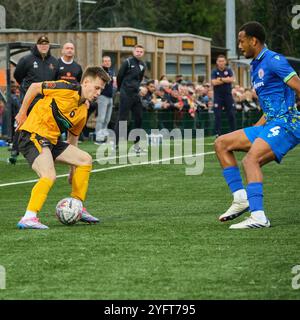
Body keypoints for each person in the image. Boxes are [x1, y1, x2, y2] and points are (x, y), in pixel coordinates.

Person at [215, 21, 300, 229]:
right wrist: (257, 127)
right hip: (270, 123)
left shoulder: (274, 60)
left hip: (287, 123)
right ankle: (241, 198)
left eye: (242, 41)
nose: (240, 46)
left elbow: (298, 85)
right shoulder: (256, 65)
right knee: (221, 143)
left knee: (250, 160)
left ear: (254, 41)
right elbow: (271, 105)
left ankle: (259, 216)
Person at [15, 66, 111, 229]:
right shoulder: (65, 87)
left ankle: (77, 206)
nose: (98, 93)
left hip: (51, 141)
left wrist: (72, 170)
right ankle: (28, 217)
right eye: (96, 88)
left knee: (85, 159)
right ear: (86, 82)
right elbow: (34, 87)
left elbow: (73, 139)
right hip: (32, 134)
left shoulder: (82, 110)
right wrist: (22, 112)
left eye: (101, 90)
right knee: (49, 174)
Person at [10, 35, 59, 164]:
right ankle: (15, 150)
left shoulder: (54, 62)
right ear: (37, 45)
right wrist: (27, 90)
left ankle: (45, 150)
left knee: (45, 126)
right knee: (23, 122)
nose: (44, 46)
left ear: (49, 46)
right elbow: (18, 75)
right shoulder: (27, 59)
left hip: (46, 101)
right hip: (30, 99)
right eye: (41, 44)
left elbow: (56, 80)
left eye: (46, 44)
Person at [115, 45, 146, 152]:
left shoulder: (142, 65)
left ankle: (137, 145)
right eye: (137, 51)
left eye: (141, 52)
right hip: (125, 94)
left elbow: (139, 79)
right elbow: (119, 76)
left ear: (143, 53)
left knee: (139, 118)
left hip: (136, 95)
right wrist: (120, 89)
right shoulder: (127, 62)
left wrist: (138, 89)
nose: (139, 53)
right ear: (133, 52)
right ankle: (116, 144)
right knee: (122, 119)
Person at [211, 55, 236, 137]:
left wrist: (220, 79)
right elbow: (214, 82)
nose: (221, 63)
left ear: (225, 62)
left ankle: (233, 132)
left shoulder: (228, 70)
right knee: (217, 115)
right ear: (217, 62)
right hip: (218, 97)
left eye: (222, 61)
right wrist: (226, 79)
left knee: (231, 114)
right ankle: (217, 133)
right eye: (219, 61)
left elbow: (232, 79)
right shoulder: (214, 71)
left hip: (228, 96)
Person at [95, 56, 115, 144]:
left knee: (107, 119)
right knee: (101, 118)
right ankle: (98, 137)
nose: (107, 62)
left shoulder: (111, 72)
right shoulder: (100, 72)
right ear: (102, 63)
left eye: (108, 61)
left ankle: (103, 136)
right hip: (103, 96)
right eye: (105, 61)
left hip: (110, 97)